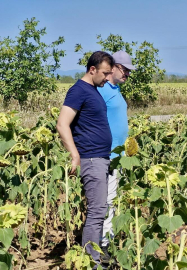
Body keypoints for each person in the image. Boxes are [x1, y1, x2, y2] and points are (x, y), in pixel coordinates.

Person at [56, 51, 114, 266]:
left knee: (100, 210)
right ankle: (91, 262)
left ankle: (93, 258)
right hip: (91, 158)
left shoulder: (92, 90)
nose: (107, 78)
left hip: (100, 157)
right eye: (105, 73)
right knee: (97, 211)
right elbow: (62, 124)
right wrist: (75, 155)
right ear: (92, 70)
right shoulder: (78, 91)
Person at [97, 51, 135, 263]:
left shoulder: (115, 89)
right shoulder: (102, 90)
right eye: (126, 69)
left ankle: (106, 241)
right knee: (106, 202)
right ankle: (103, 246)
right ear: (114, 67)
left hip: (117, 155)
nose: (128, 74)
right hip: (106, 155)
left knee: (110, 200)